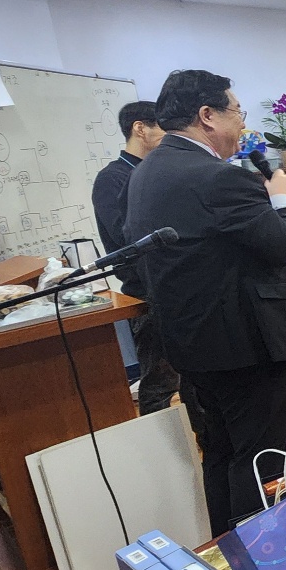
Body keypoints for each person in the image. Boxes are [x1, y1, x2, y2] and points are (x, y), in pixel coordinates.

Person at [125, 69, 286, 534]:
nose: (242, 124)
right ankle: (271, 558)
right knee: (267, 461)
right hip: (253, 350)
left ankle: (230, 555)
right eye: (237, 112)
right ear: (207, 115)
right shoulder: (217, 178)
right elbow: (285, 245)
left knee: (222, 454)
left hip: (196, 348)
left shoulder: (145, 175)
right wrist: (284, 201)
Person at [92, 100, 179, 415]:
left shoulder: (157, 172)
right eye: (163, 128)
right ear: (140, 128)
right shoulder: (112, 178)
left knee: (192, 377)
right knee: (159, 380)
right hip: (147, 291)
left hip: (177, 284)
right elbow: (126, 237)